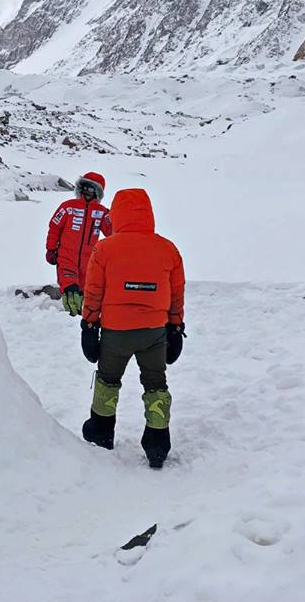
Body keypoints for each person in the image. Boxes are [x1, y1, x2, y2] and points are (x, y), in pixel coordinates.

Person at [78, 188, 185, 469]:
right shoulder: (168, 249)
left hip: (115, 333)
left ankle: (100, 432)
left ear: (117, 215)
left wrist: (89, 324)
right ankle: (158, 443)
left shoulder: (105, 248)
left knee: (107, 380)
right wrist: (175, 326)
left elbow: (94, 291)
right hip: (155, 333)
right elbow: (176, 294)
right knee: (155, 384)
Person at [45, 172, 112, 316]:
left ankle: (82, 319)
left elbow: (113, 233)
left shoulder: (102, 213)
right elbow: (54, 227)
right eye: (85, 187)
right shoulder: (68, 207)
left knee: (85, 293)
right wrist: (51, 249)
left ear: (98, 193)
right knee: (70, 288)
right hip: (66, 257)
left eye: (92, 189)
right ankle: (64, 320)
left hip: (89, 262)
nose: (88, 192)